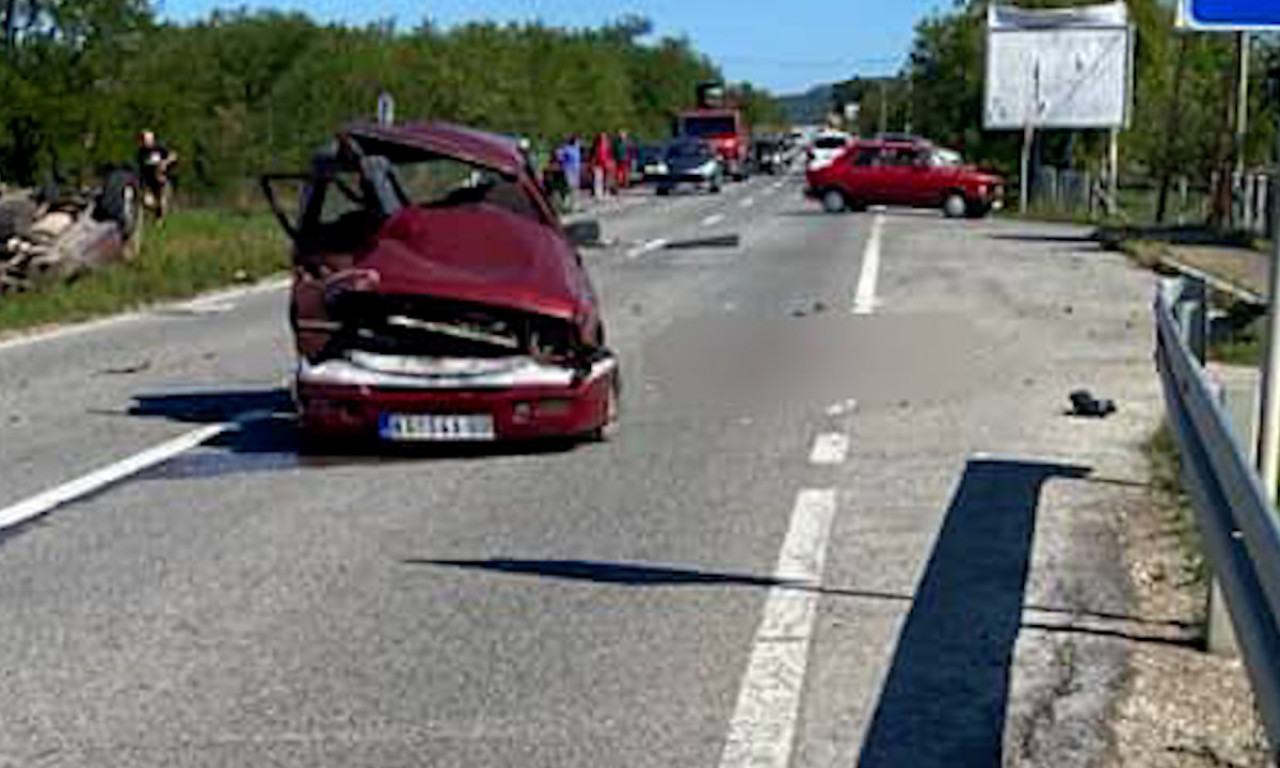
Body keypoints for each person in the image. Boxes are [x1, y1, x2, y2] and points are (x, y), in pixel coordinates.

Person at [136, 130, 177, 220]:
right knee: (146, 201)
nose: (145, 142)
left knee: (162, 199)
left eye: (147, 139)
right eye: (144, 139)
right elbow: (140, 167)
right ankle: (156, 210)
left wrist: (165, 163)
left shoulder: (159, 148)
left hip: (161, 179)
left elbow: (173, 156)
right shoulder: (141, 152)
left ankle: (160, 217)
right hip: (148, 181)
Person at [557, 135, 582, 211]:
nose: (578, 143)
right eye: (577, 141)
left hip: (575, 171)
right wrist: (562, 161)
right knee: (570, 188)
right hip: (569, 170)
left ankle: (573, 205)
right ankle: (566, 205)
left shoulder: (576, 149)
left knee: (575, 188)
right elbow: (560, 156)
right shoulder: (567, 149)